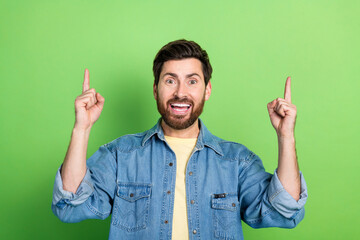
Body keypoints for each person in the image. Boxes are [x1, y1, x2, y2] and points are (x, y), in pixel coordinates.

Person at [52, 39, 308, 240]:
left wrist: (286, 136)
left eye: (192, 81)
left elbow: (284, 211)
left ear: (207, 90)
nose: (180, 93)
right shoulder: (121, 155)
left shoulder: (236, 161)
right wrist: (81, 128)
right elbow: (70, 204)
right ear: (155, 89)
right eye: (170, 80)